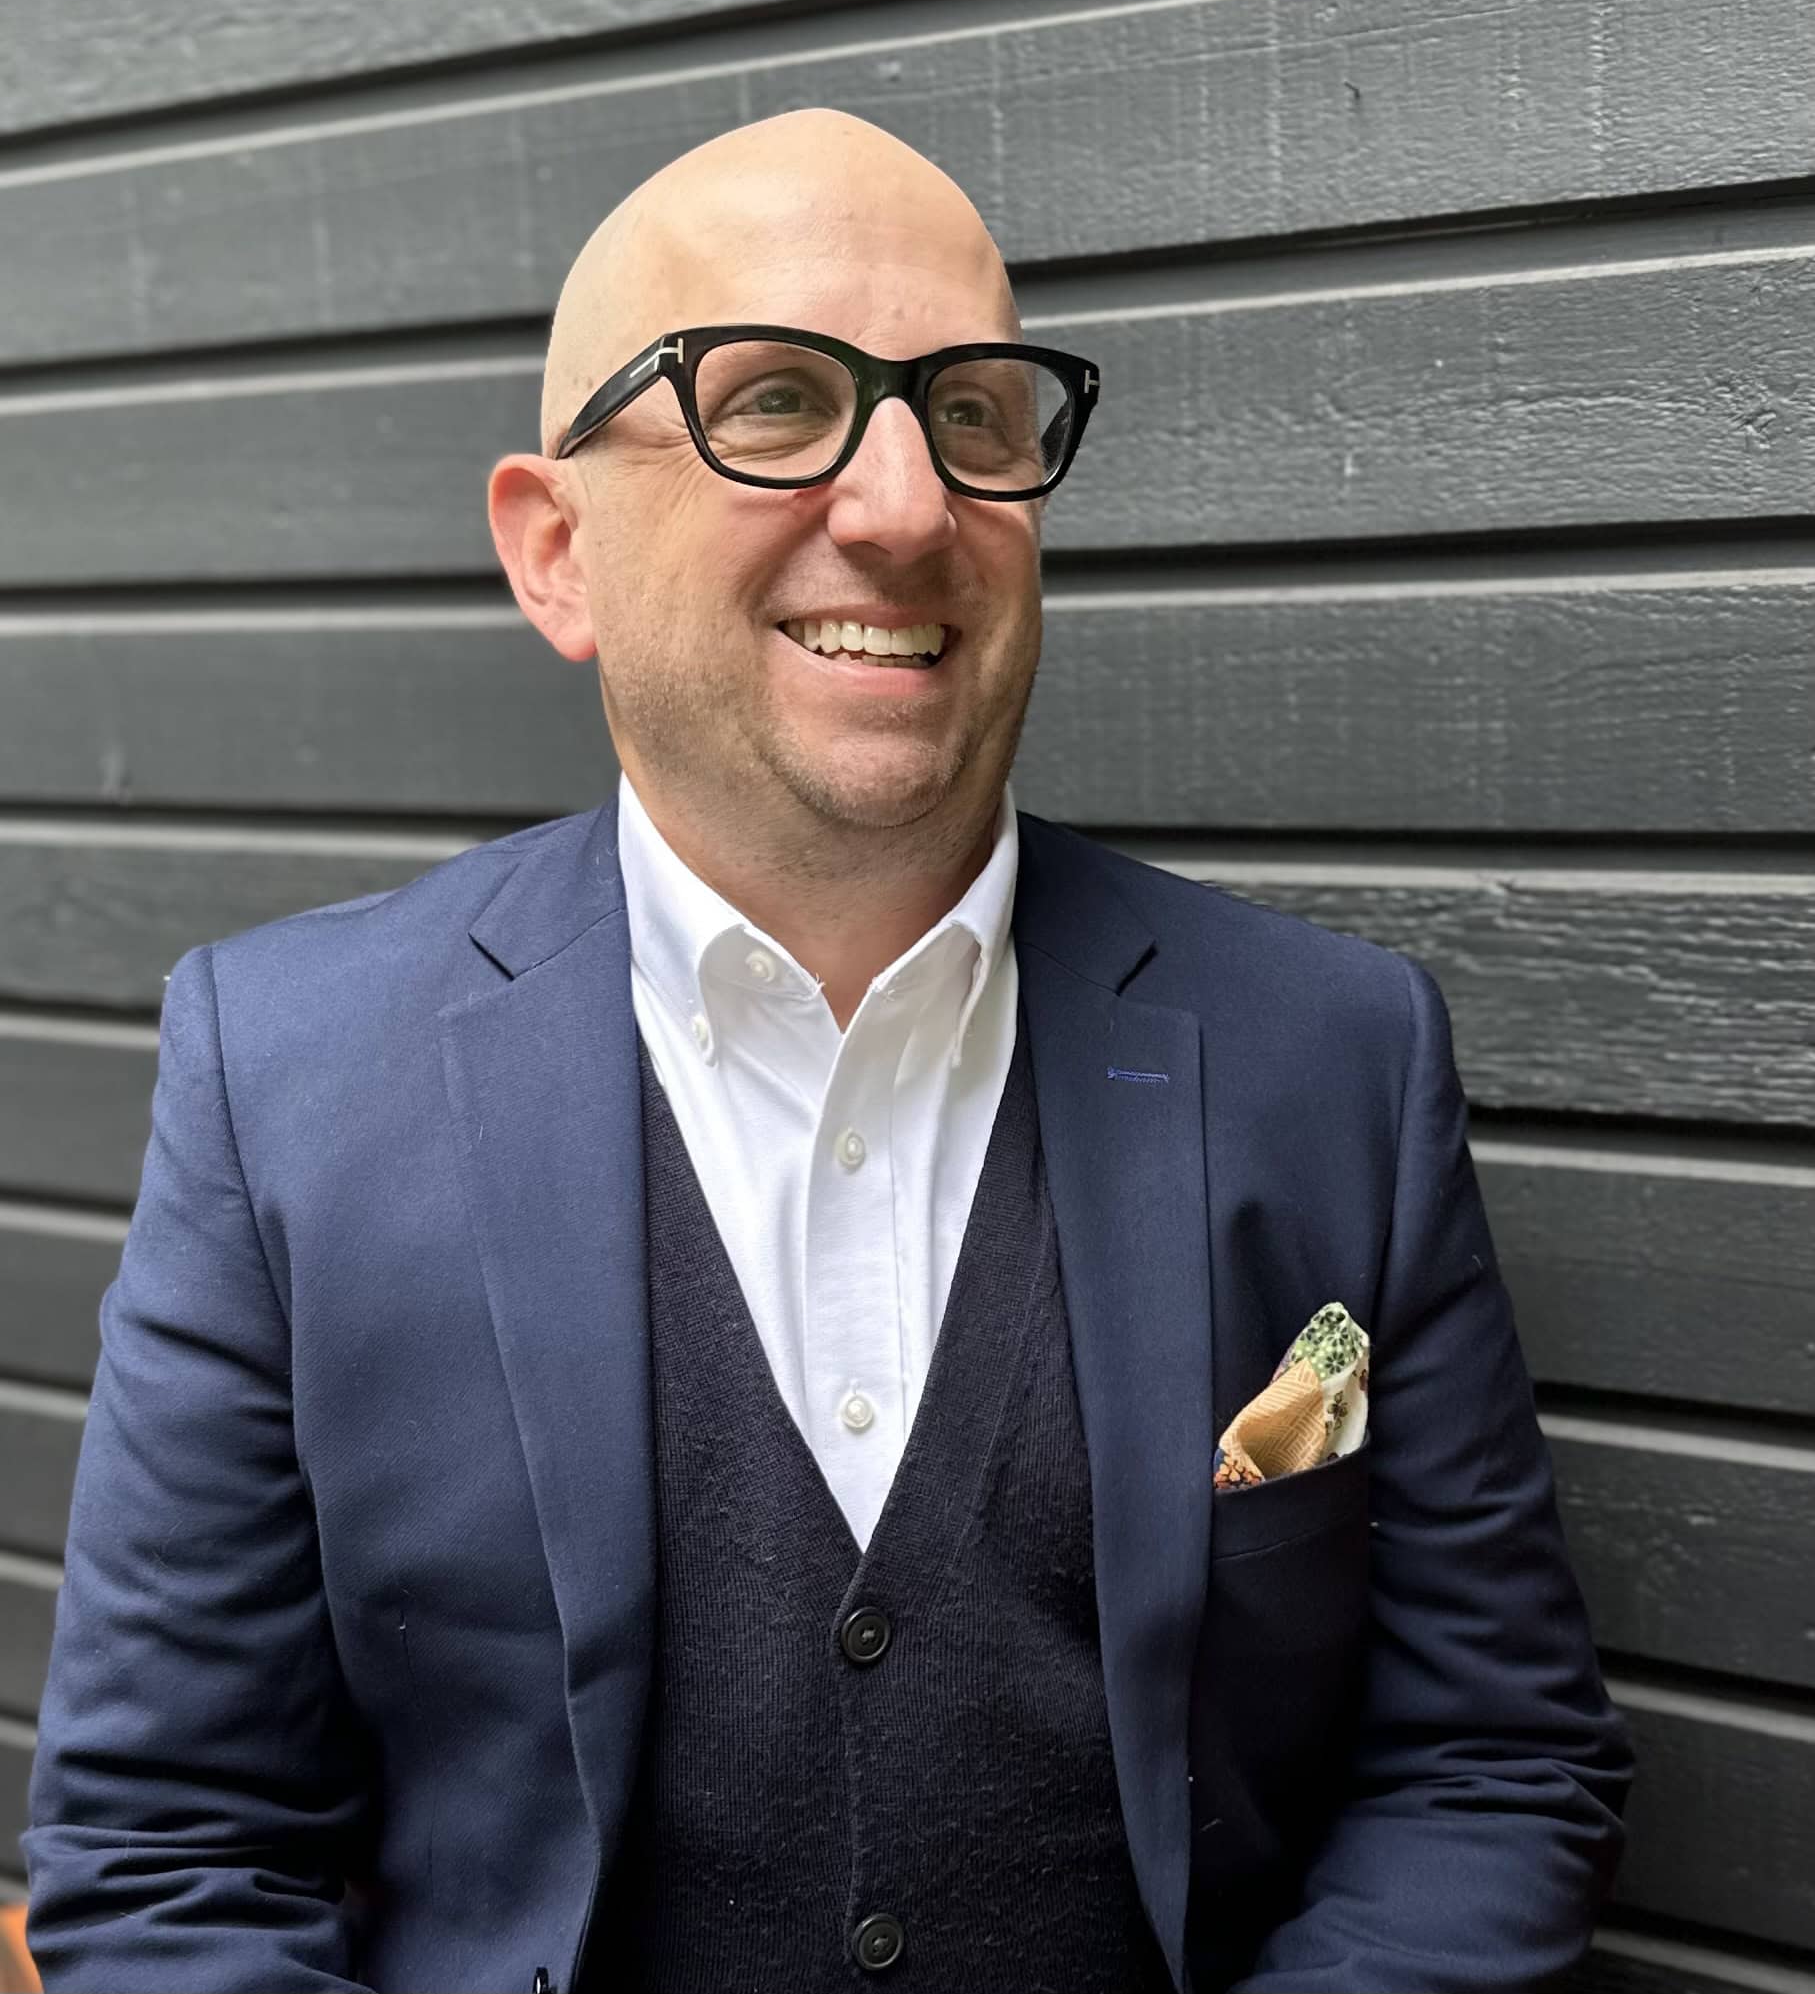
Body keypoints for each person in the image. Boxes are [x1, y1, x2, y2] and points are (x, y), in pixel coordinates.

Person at [23, 109, 1632, 1992]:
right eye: (773, 402)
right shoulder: (285, 1079)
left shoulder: (1332, 1065)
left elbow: (1489, 1768)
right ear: (558, 552)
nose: (904, 507)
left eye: (973, 413)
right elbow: (166, 1853)